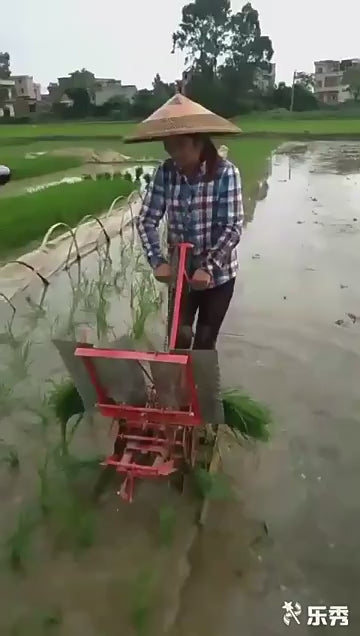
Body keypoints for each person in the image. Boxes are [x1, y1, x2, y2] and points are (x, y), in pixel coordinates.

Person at [125, 93, 244, 350]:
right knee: (179, 337)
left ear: (198, 142)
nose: (173, 153)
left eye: (180, 145)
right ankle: (177, 387)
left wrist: (208, 267)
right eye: (168, 146)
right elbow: (146, 220)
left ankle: (202, 389)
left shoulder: (226, 174)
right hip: (181, 273)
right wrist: (158, 261)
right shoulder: (166, 173)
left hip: (219, 275)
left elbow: (232, 227)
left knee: (204, 340)